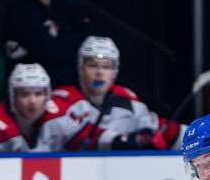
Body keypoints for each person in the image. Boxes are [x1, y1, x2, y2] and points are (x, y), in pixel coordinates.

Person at [47, 36, 180, 151]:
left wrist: (189, 136)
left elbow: (154, 127)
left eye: (106, 66)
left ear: (114, 73)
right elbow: (68, 134)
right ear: (81, 69)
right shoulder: (63, 98)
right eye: (92, 65)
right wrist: (121, 141)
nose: (99, 72)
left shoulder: (126, 97)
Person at [3, 0, 91, 91]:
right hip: (33, 90)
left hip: (68, 87)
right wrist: (72, 43)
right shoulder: (20, 11)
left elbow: (90, 37)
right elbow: (53, 52)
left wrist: (60, 39)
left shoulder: (64, 4)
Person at [0, 63, 58, 152]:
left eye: (38, 94)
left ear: (47, 96)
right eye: (24, 94)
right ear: (13, 97)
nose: (32, 101)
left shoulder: (59, 118)